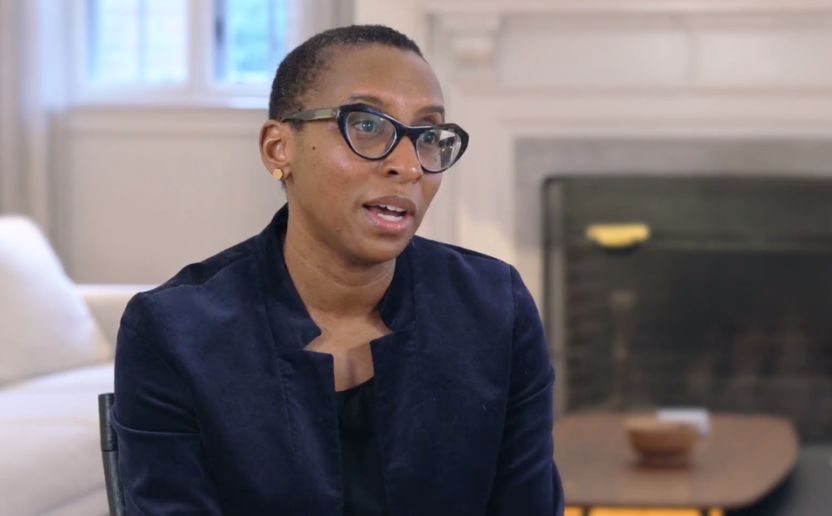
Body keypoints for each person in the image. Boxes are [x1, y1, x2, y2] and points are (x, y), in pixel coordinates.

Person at [112, 24, 563, 516]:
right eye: (367, 125)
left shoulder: (494, 306)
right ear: (278, 148)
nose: (410, 166)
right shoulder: (175, 332)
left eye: (429, 135)